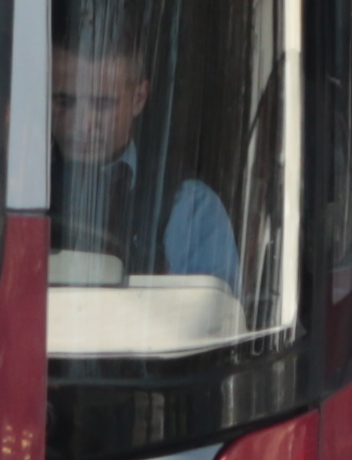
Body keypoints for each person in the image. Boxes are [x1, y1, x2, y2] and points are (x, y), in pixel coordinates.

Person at [51, 18, 244, 287]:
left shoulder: (190, 210)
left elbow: (212, 323)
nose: (83, 125)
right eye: (64, 101)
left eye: (103, 104)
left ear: (138, 98)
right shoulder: (13, 190)